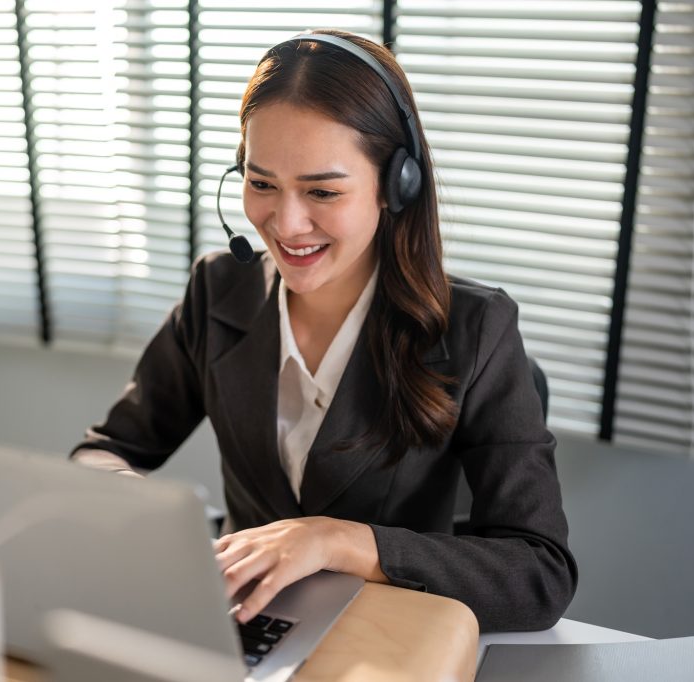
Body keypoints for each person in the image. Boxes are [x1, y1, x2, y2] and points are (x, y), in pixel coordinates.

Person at [71, 29, 577, 633]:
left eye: (322, 191)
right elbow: (103, 451)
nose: (285, 223)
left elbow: (538, 572)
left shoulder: (477, 329)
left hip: (388, 638)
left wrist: (337, 542)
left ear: (396, 187)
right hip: (244, 628)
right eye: (261, 184)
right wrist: (141, 511)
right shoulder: (215, 293)